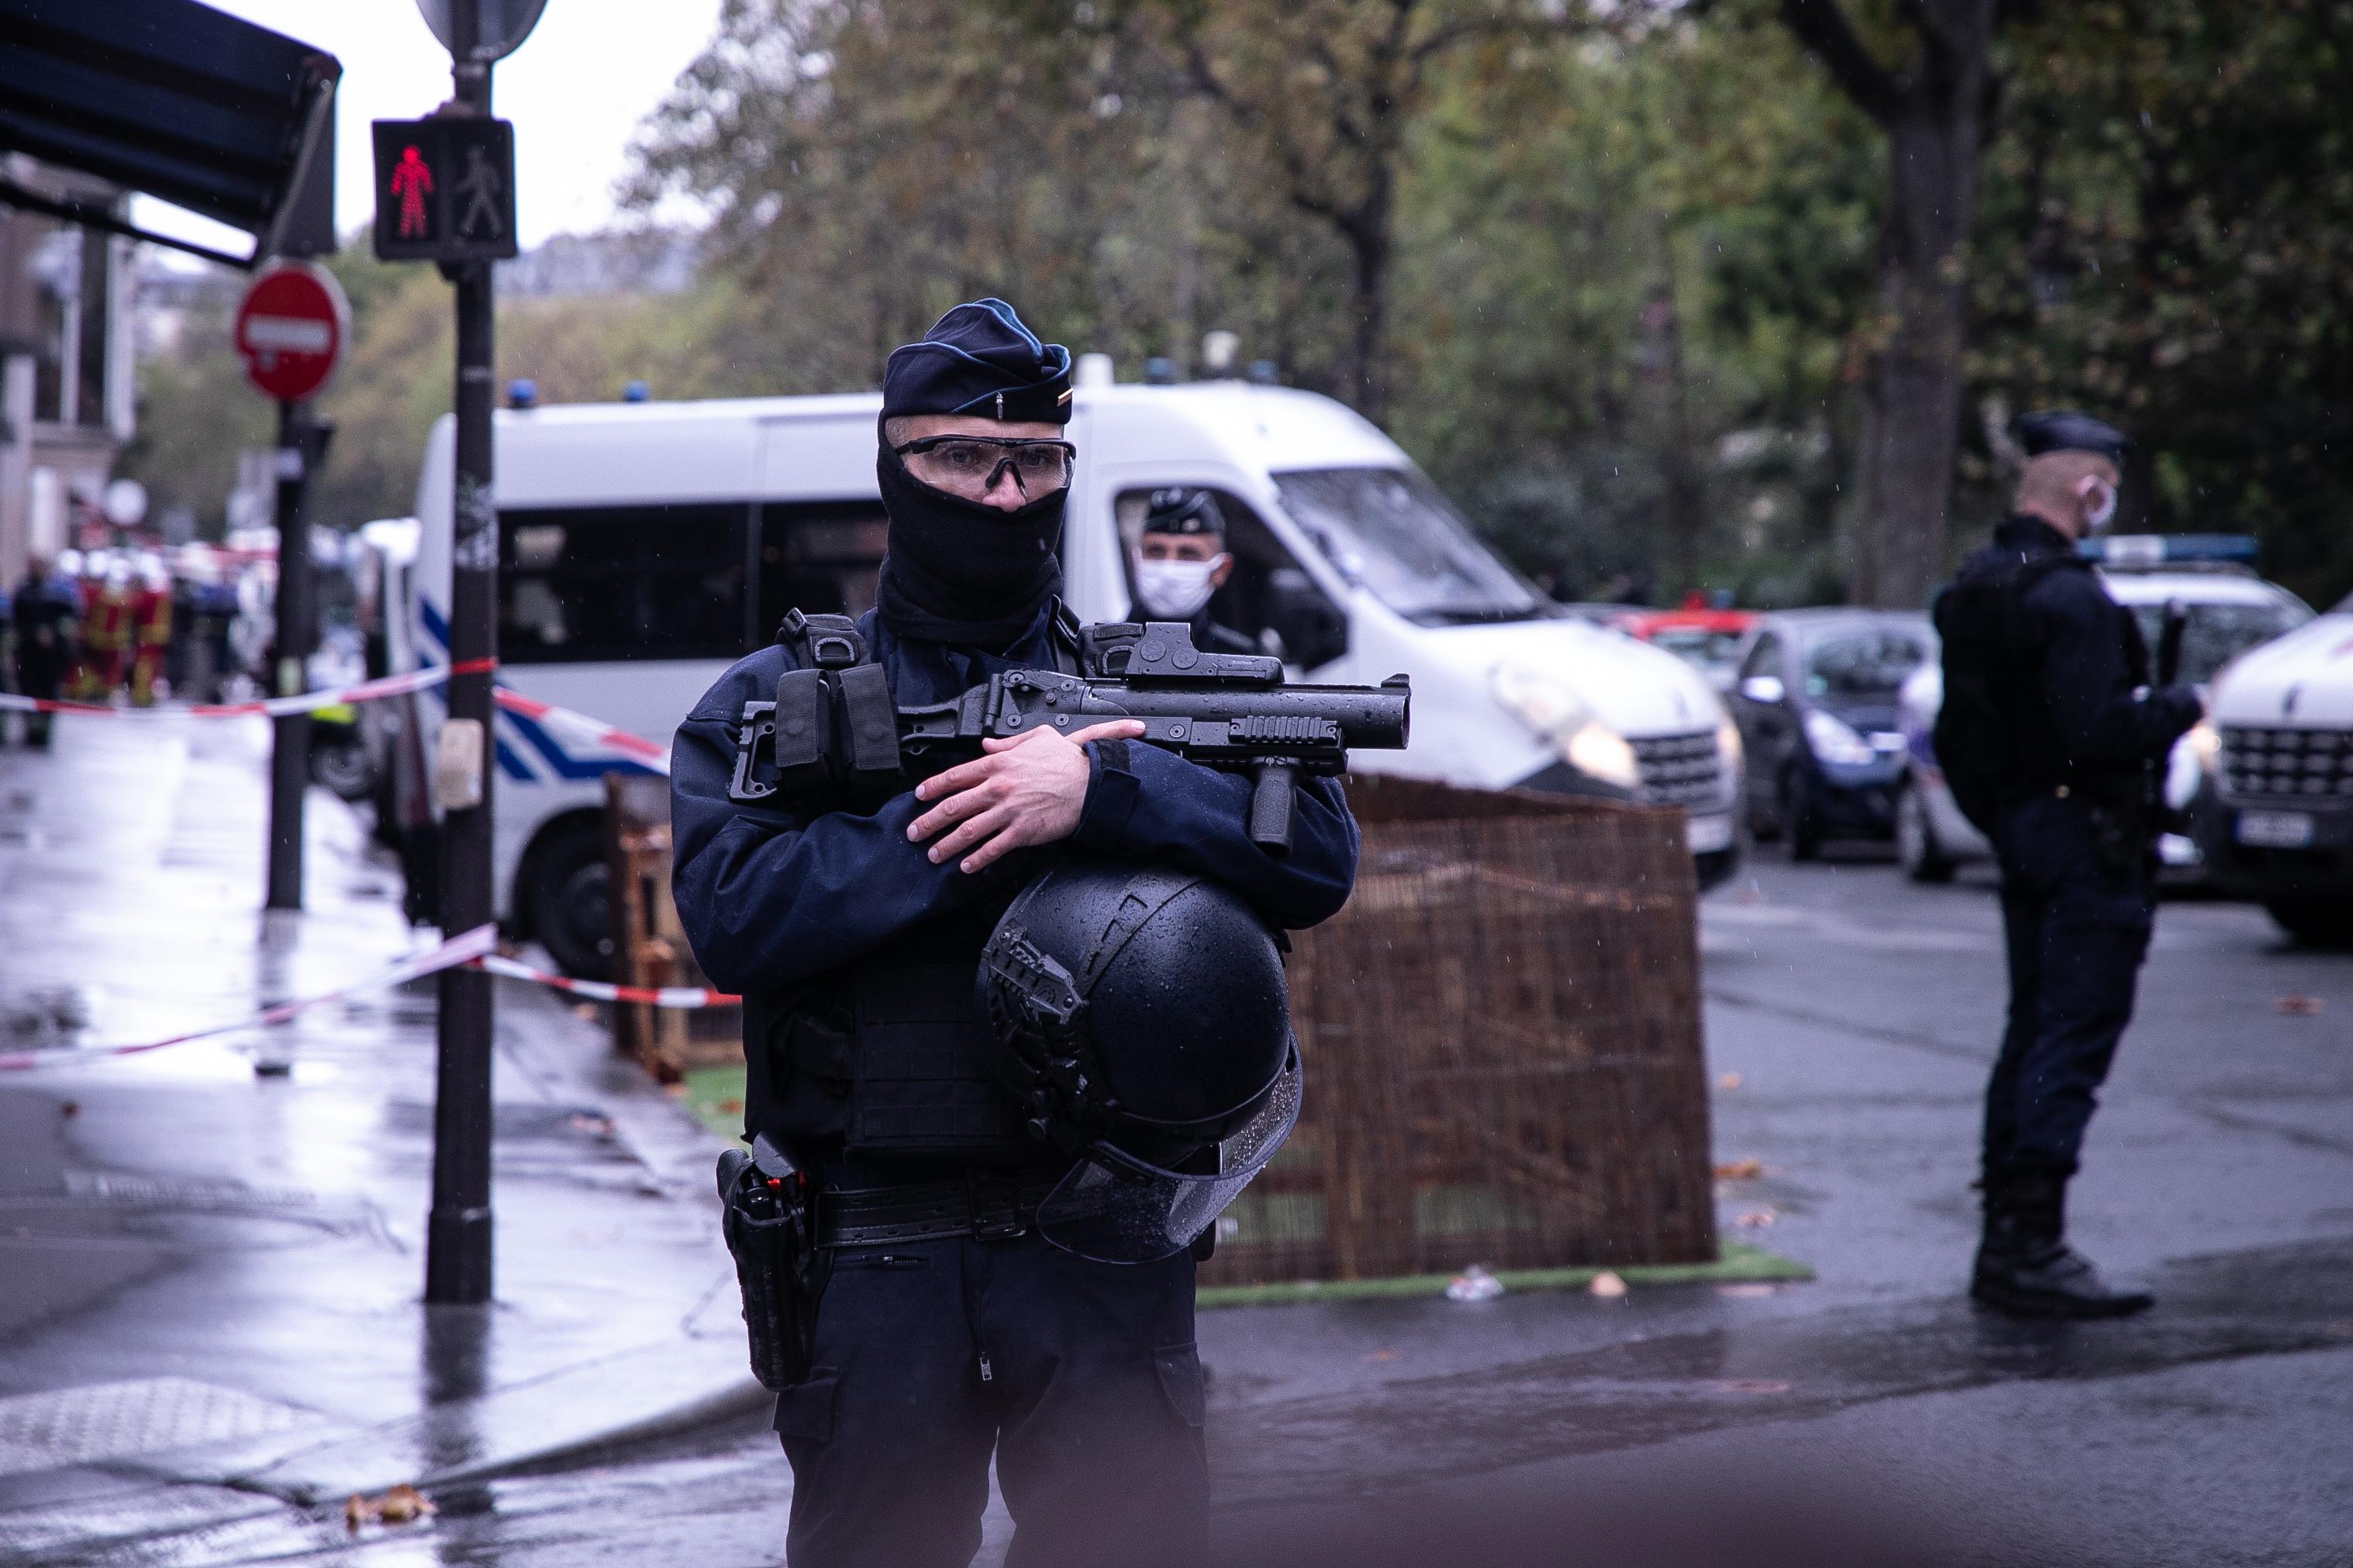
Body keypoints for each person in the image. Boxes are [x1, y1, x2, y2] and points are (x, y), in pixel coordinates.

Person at [669, 298, 1359, 1567]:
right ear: (896, 470)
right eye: (963, 461)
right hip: (875, 1245)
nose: (1001, 493)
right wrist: (972, 822)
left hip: (1100, 1231)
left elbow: (1317, 855)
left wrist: (1100, 792)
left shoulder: (1146, 687)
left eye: (1034, 462)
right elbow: (729, 918)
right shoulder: (774, 702)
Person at [1934, 409, 2202, 1319]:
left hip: (2026, 832)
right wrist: (2177, 705)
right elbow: (2099, 730)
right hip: (2086, 843)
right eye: (2106, 487)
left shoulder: (1979, 585)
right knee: (2067, 1040)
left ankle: (2005, 1241)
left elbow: (1959, 737)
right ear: (2087, 488)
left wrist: (2005, 816)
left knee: (2029, 1034)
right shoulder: (2069, 602)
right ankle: (2030, 1245)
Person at [1130, 488, 1254, 655]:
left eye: (1188, 554)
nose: (1168, 571)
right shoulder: (1100, 654)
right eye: (1156, 551)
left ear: (1221, 570)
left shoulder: (1239, 660)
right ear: (1136, 563)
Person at [10, 557, 75, 748]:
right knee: (28, 691)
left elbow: (69, 622)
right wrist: (32, 634)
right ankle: (32, 731)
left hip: (52, 655)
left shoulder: (60, 594)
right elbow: (16, 622)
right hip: (29, 653)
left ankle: (45, 733)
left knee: (49, 692)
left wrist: (54, 635)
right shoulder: (23, 592)